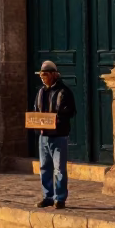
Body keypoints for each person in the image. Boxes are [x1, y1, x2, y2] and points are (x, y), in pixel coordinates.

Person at [34, 61, 76, 210]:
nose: (42, 78)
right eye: (40, 75)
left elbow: (69, 111)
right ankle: (48, 197)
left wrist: (55, 119)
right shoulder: (40, 92)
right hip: (43, 136)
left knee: (59, 168)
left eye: (45, 75)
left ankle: (60, 198)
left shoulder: (64, 92)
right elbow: (36, 111)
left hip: (58, 135)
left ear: (53, 75)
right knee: (44, 167)